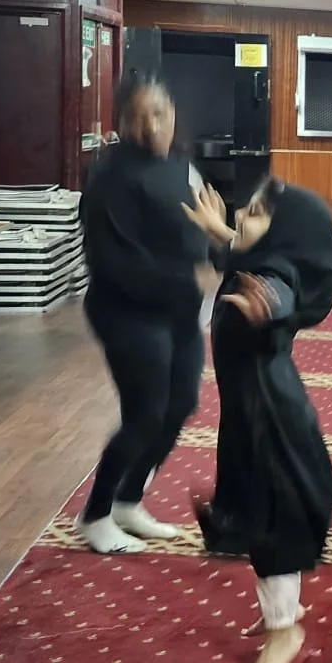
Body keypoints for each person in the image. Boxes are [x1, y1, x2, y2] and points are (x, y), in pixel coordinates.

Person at [184, 179, 332, 663]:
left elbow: (278, 291)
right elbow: (250, 258)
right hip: (254, 413)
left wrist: (269, 306)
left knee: (271, 524)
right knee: (254, 514)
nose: (240, 219)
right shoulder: (261, 258)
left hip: (273, 421)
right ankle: (283, 608)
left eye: (252, 215)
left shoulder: (275, 275)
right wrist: (223, 233)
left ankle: (284, 633)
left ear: (283, 233)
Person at [76, 75, 219, 555]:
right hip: (128, 312)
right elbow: (118, 262)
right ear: (120, 122)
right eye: (137, 116)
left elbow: (198, 224)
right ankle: (95, 515)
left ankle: (128, 500)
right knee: (144, 414)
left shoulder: (180, 163)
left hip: (179, 313)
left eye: (158, 113)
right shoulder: (111, 177)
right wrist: (192, 281)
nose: (149, 126)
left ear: (173, 113)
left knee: (179, 406)